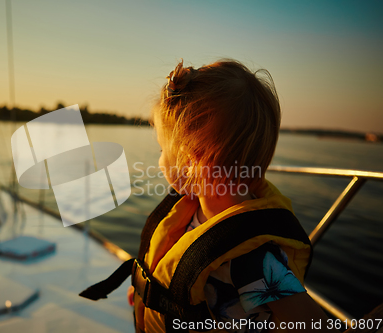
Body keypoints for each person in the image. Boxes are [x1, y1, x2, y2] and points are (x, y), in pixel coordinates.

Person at [81, 59, 336, 333]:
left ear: (191, 162)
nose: (158, 162)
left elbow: (311, 325)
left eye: (161, 151)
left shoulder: (253, 259)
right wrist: (146, 292)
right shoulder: (193, 208)